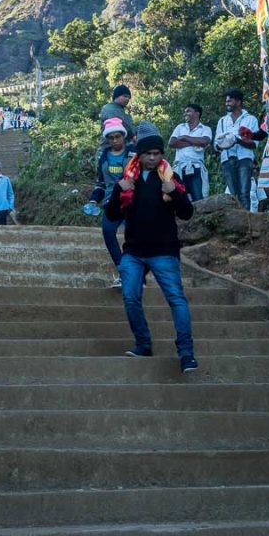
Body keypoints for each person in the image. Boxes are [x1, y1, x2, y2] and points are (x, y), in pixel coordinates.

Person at [104, 127, 198, 375]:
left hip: (164, 250)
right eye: (148, 154)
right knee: (130, 297)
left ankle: (186, 353)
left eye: (157, 153)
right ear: (139, 155)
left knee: (176, 299)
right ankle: (143, 344)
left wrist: (175, 194)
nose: (153, 158)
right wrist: (118, 190)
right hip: (133, 251)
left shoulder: (169, 178)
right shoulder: (129, 179)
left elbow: (187, 213)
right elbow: (112, 214)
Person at [87, 117, 138, 287]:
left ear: (124, 136)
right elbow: (101, 183)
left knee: (131, 237)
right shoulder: (103, 156)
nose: (115, 140)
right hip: (111, 201)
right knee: (108, 232)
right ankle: (123, 270)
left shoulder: (134, 153)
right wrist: (94, 200)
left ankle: (134, 274)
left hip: (133, 201)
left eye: (118, 136)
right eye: (111, 137)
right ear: (107, 139)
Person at [214, 89, 259, 211]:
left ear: (238, 102)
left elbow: (254, 144)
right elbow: (216, 145)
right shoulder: (222, 121)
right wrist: (223, 144)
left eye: (230, 101)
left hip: (244, 159)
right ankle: (235, 224)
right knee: (232, 196)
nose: (227, 103)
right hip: (227, 159)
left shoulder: (251, 119)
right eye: (226, 101)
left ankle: (246, 223)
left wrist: (236, 140)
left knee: (245, 193)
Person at [169, 103, 212, 201]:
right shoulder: (180, 127)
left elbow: (205, 141)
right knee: (181, 198)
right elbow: (171, 143)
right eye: (185, 112)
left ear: (197, 113)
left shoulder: (205, 129)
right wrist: (195, 142)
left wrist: (184, 137)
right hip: (179, 168)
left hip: (196, 167)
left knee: (198, 198)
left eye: (188, 111)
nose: (186, 113)